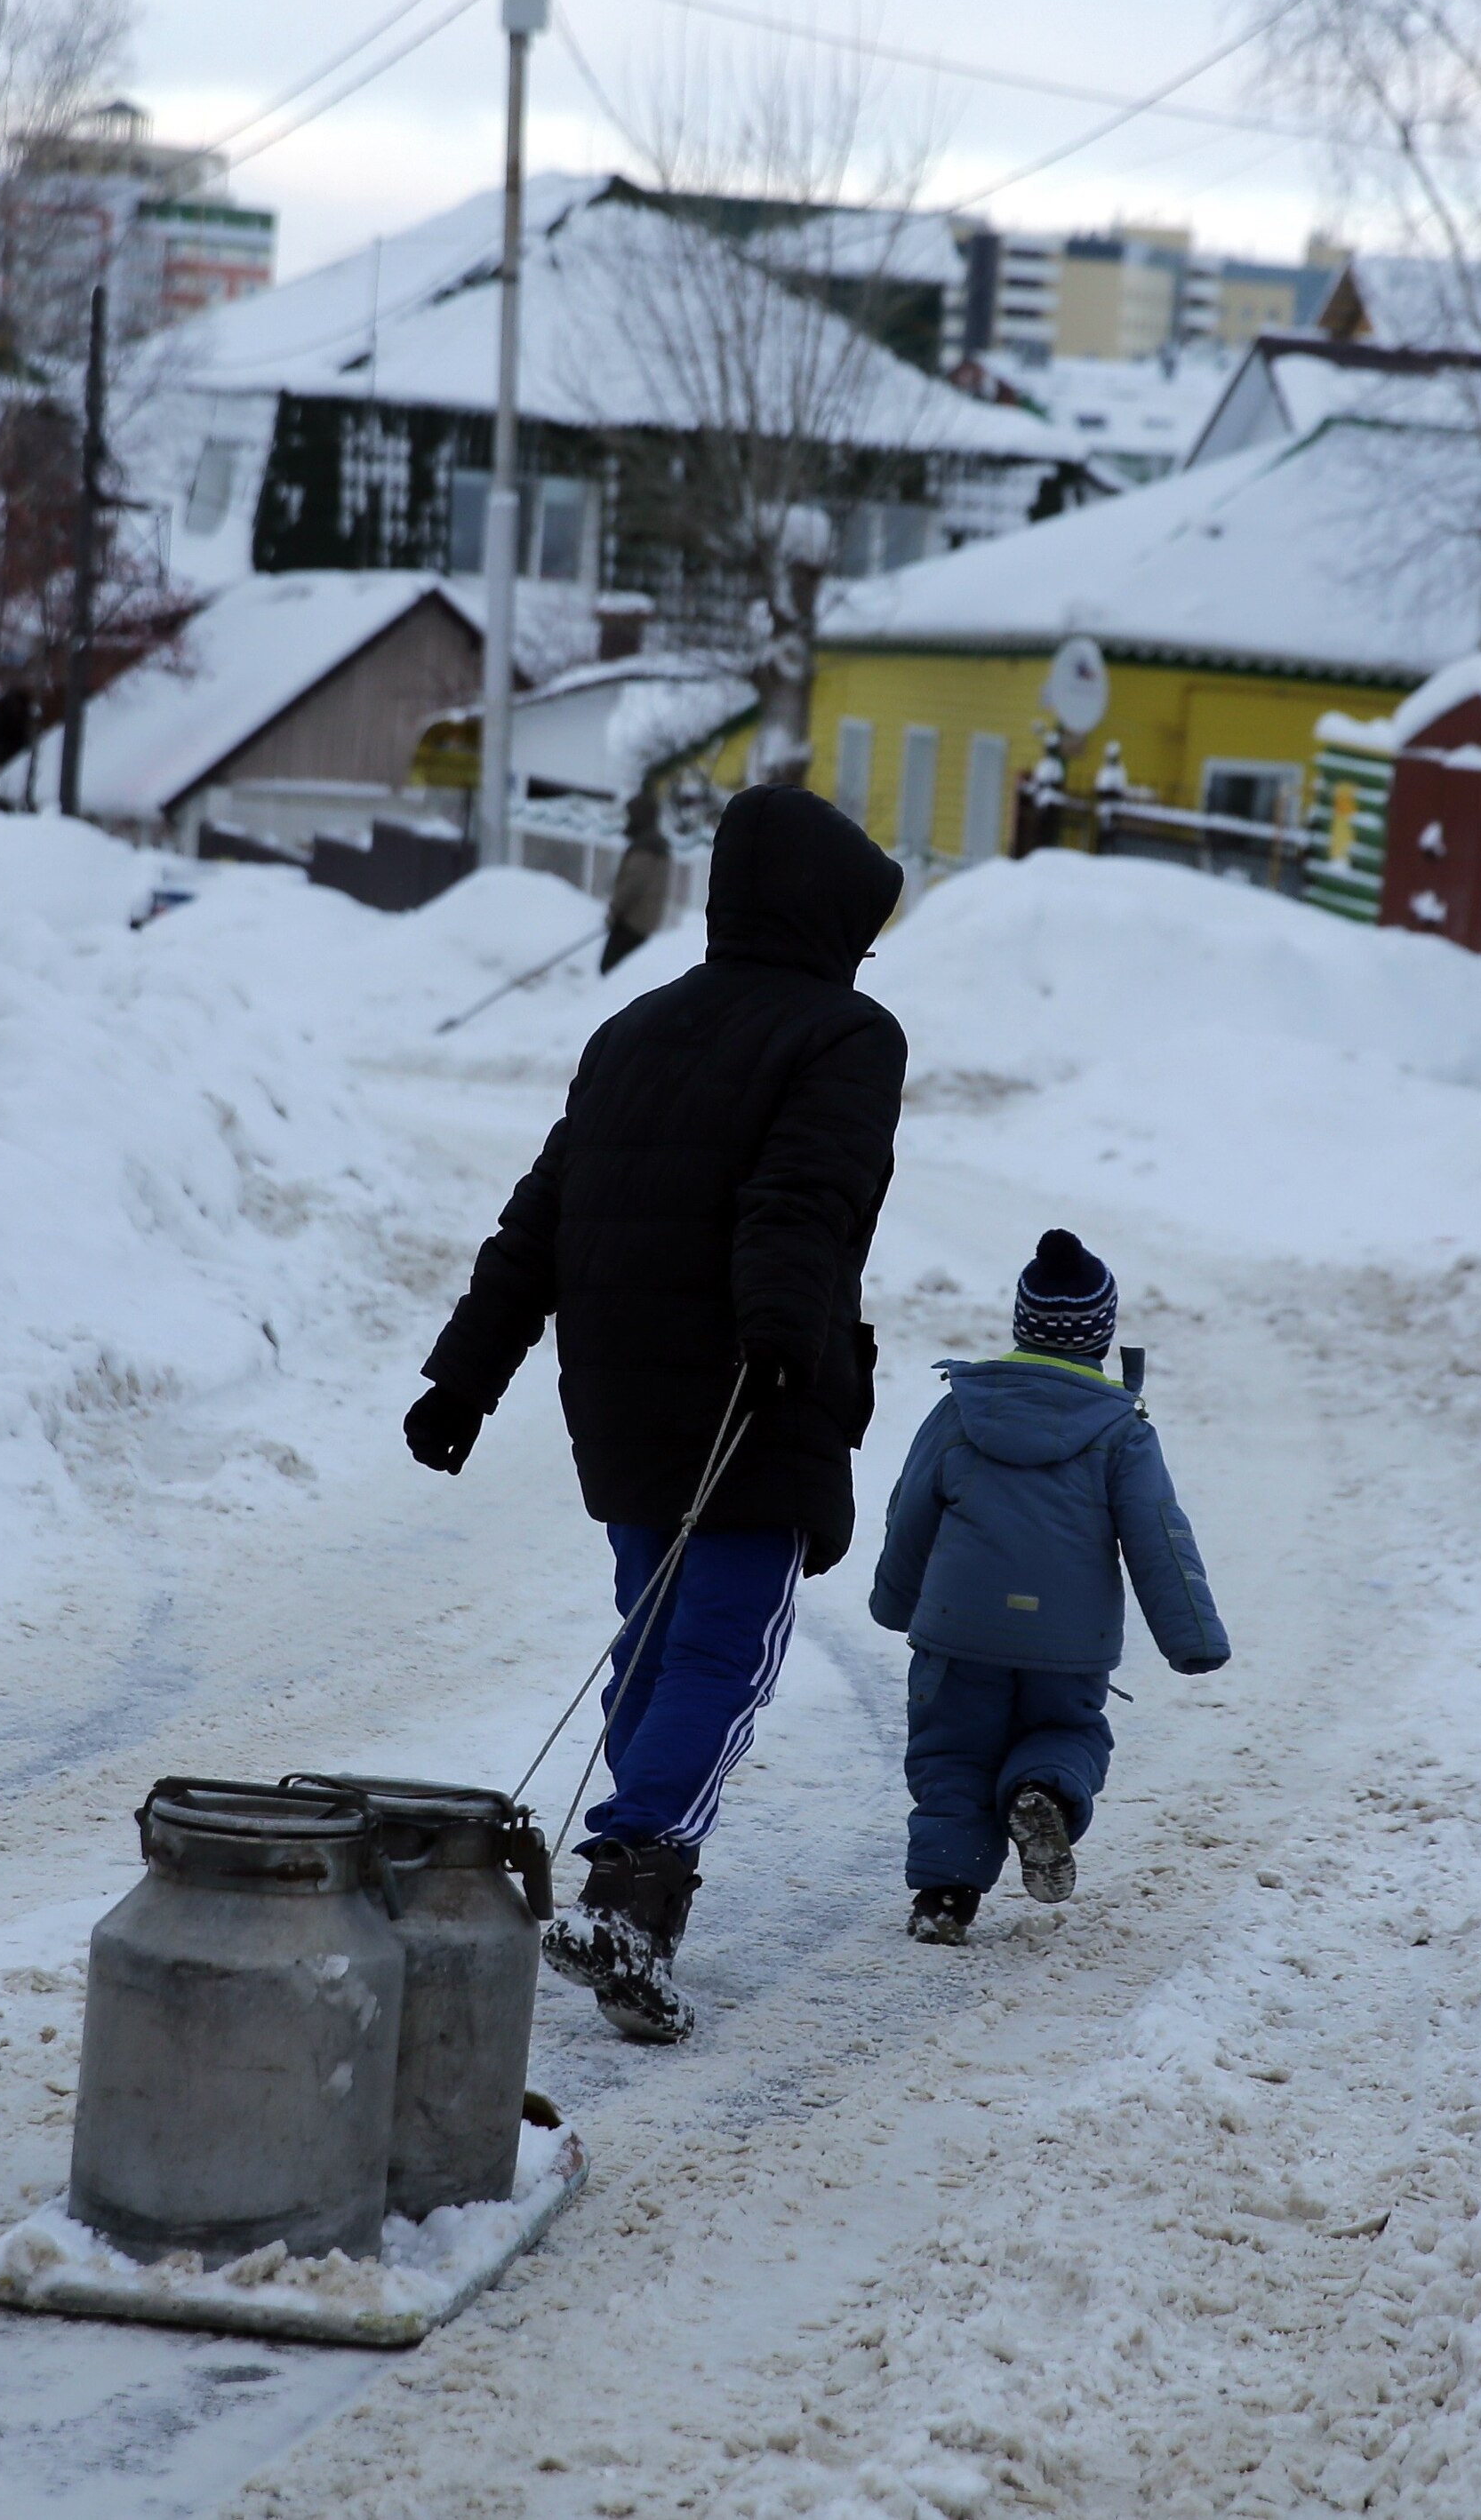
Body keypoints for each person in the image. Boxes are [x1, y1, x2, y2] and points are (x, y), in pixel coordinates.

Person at [407, 780, 909, 2043]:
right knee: (725, 1650)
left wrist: (462, 1376)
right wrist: (782, 1338)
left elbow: (540, 1215)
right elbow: (803, 1194)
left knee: (656, 1634)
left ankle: (633, 1911)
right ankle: (631, 1889)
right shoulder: (847, 1035)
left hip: (620, 1388)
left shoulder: (632, 1027)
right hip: (752, 1380)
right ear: (824, 918)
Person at [868, 1228, 1228, 1945]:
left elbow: (912, 1507)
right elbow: (1159, 1534)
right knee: (1067, 1731)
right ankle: (1044, 1791)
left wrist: (896, 1600)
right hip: (1068, 1641)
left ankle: (945, 1896)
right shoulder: (1121, 1430)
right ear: (1102, 1335)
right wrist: (1192, 1637)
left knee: (952, 1751)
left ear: (1021, 1323)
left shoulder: (963, 1407)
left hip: (961, 1627)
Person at [599, 786, 674, 972]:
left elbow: (632, 885)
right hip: (644, 923)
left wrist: (615, 912)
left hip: (632, 923)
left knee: (610, 969)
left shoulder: (646, 848)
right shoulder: (657, 845)